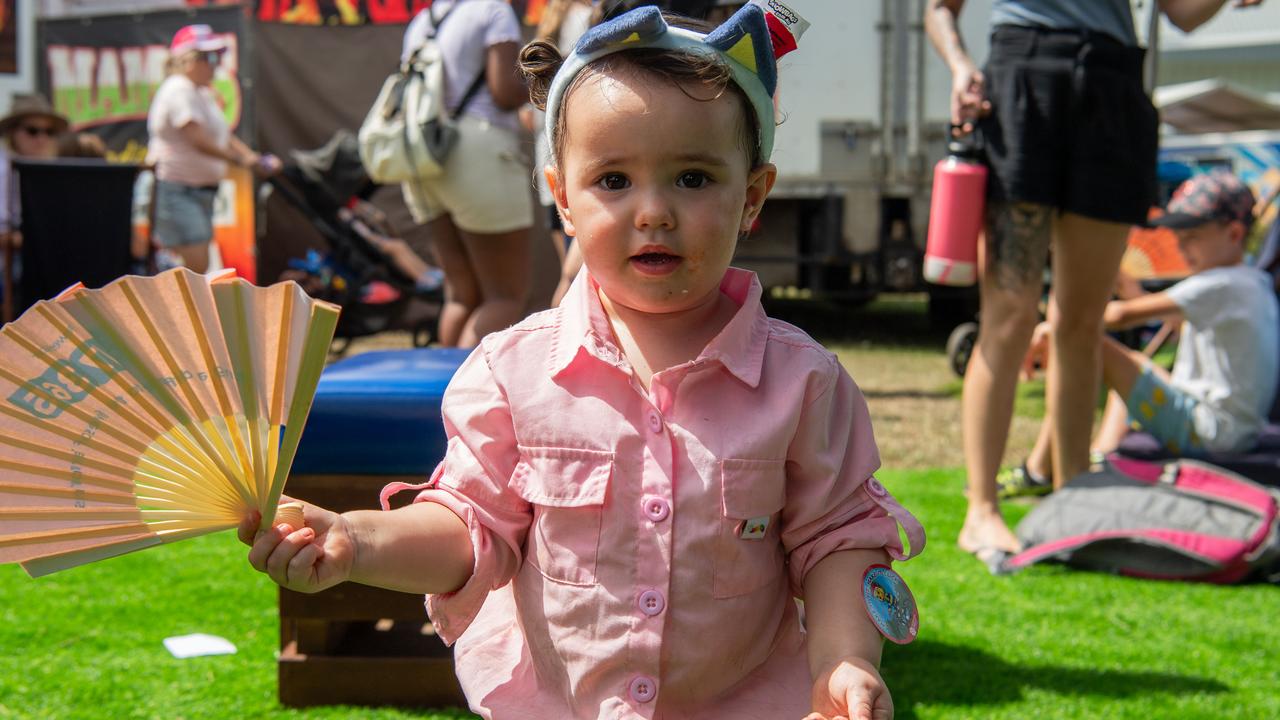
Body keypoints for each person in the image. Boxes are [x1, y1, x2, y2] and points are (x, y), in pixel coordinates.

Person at [241, 6, 925, 719]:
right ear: (562, 197)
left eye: (692, 179)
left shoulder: (803, 384)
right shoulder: (513, 373)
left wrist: (844, 659)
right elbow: (469, 526)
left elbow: (838, 541)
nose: (653, 211)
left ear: (752, 195)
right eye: (614, 181)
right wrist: (357, 539)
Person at [924, 0, 1264, 560]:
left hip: (1113, 82)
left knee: (1080, 321)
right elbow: (939, 7)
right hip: (1024, 74)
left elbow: (1184, 12)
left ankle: (1073, 494)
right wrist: (960, 65)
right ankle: (980, 509)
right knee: (1008, 317)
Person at [1010, 172, 1279, 486]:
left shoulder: (1221, 284)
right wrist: (1126, 283)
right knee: (1134, 366)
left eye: (1192, 237)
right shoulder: (1252, 282)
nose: (1181, 247)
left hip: (1211, 433)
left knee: (1084, 341)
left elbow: (1120, 314)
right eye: (1179, 238)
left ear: (1234, 234)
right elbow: (1164, 320)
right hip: (1234, 430)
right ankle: (1103, 453)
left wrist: (1053, 326)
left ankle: (1041, 469)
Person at [400, 0, 534, 347]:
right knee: (504, 295)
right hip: (478, 153)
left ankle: (444, 397)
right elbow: (505, 92)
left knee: (461, 294)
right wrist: (546, 74)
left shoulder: (421, 21)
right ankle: (467, 399)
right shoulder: (493, 10)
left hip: (423, 158)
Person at [146, 24, 280, 274]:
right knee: (195, 271)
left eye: (218, 56)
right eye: (209, 57)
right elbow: (197, 139)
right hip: (179, 191)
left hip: (197, 193)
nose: (215, 63)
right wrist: (241, 161)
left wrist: (251, 157)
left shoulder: (199, 93)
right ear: (188, 60)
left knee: (197, 271)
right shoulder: (179, 89)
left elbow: (223, 136)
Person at [0, 93, 67, 318]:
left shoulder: (55, 172)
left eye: (49, 132)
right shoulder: (3, 169)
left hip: (45, 261)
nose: (41, 139)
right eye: (32, 130)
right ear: (13, 133)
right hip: (11, 267)